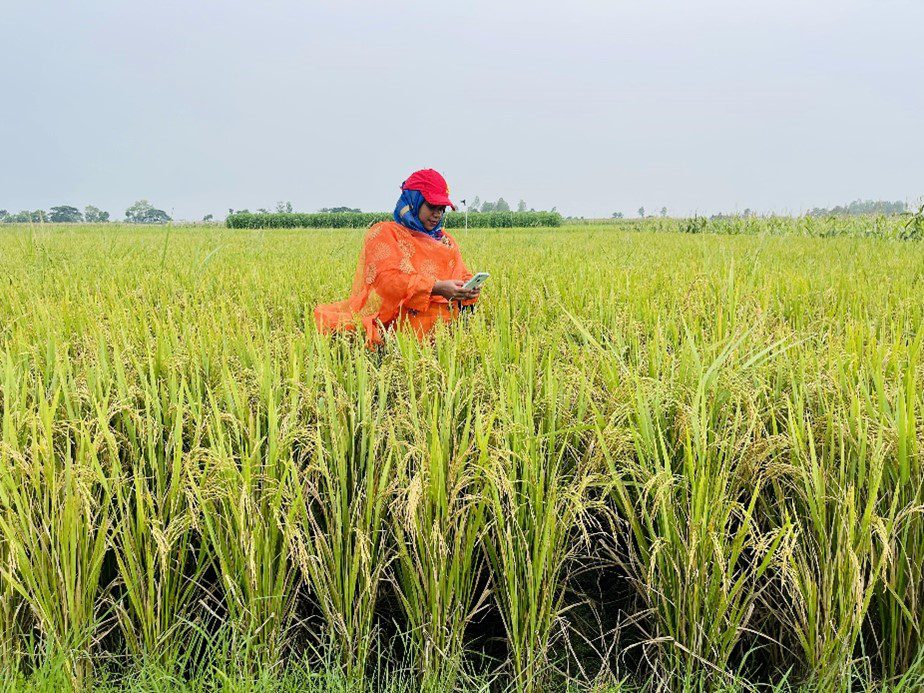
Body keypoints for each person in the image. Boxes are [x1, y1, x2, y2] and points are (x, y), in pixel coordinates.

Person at [314, 169, 481, 346]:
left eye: (442, 209)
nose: (437, 214)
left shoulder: (445, 240)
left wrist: (469, 287)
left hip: (445, 336)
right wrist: (436, 288)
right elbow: (387, 280)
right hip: (403, 335)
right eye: (432, 206)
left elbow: (461, 273)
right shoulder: (386, 233)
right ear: (413, 201)